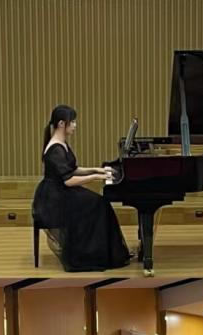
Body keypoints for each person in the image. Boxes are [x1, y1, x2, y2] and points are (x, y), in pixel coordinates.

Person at [32, 105, 130, 272]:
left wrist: (96, 170)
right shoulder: (55, 149)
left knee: (99, 203)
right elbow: (68, 181)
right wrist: (95, 177)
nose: (75, 125)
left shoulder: (60, 144)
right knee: (99, 204)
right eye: (72, 122)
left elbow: (72, 169)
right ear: (61, 124)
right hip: (55, 198)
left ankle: (100, 252)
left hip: (60, 192)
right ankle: (92, 254)